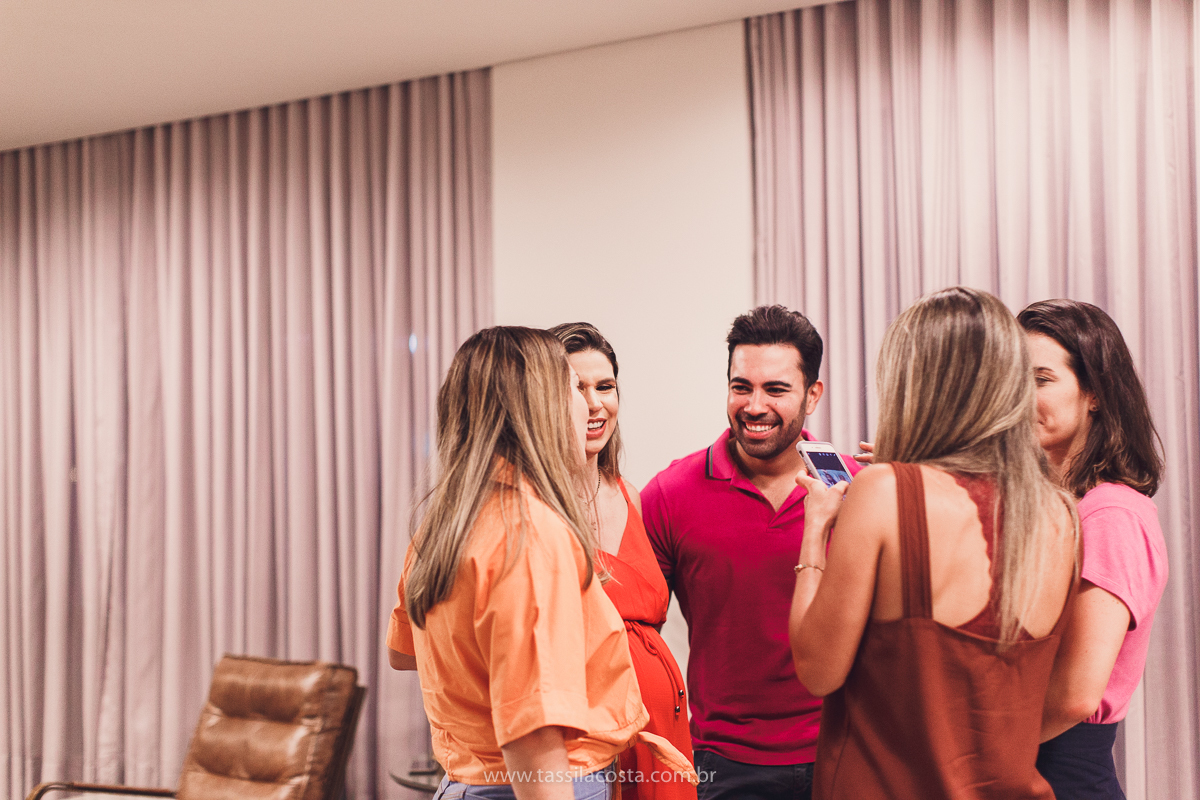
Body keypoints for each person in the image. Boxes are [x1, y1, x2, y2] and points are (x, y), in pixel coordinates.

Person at [789, 287, 1079, 800]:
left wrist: (816, 531)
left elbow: (817, 670)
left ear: (912, 384)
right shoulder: (1062, 515)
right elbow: (1058, 697)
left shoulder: (885, 492)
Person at [385, 326, 652, 800]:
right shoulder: (531, 535)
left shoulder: (448, 520)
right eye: (573, 387)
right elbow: (534, 738)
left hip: (467, 780)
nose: (590, 406)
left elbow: (403, 651)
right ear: (541, 404)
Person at [641, 305, 860, 800]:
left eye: (776, 389)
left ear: (813, 394)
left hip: (843, 751)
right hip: (722, 762)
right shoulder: (671, 493)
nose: (754, 406)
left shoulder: (856, 487)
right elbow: (631, 632)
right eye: (742, 387)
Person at [1019, 300, 1168, 800]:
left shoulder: (1111, 515)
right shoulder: (1055, 505)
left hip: (1062, 774)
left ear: (1095, 395)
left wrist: (973, 750)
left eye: (1040, 379)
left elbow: (1076, 695)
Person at [549, 322, 696, 800]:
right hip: (593, 743)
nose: (595, 404)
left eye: (605, 386)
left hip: (664, 733)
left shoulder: (629, 494)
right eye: (577, 387)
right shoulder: (539, 508)